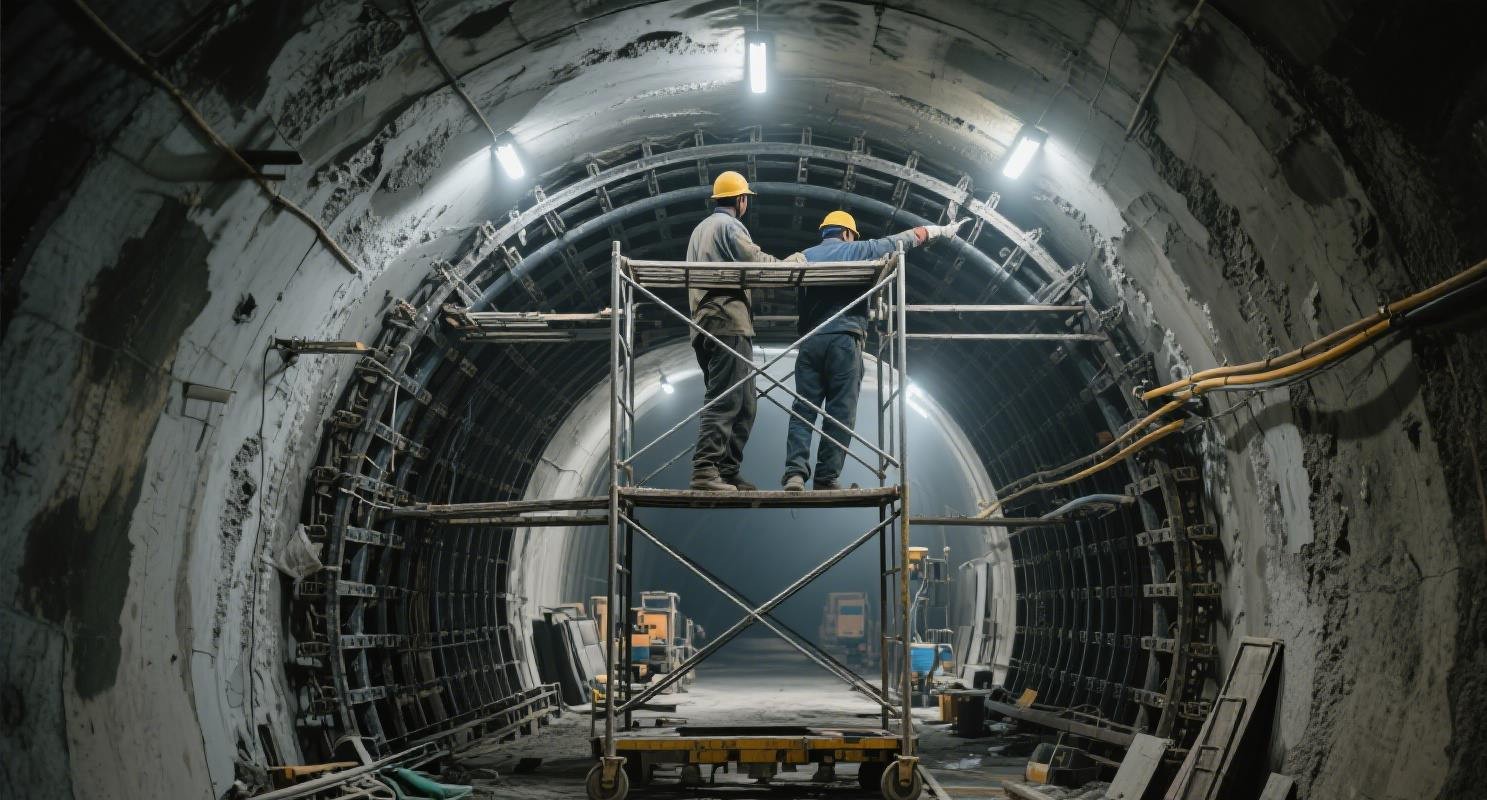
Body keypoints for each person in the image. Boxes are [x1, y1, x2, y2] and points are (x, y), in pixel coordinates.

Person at [782, 210, 967, 491]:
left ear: (825, 232)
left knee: (803, 410)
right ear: (846, 234)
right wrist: (939, 231)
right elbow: (902, 241)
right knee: (840, 411)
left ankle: (795, 474)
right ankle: (826, 477)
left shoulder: (805, 256)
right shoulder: (860, 249)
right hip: (844, 341)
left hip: (810, 344)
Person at [685, 170, 802, 492]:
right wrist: (790, 265)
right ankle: (705, 471)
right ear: (741, 200)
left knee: (745, 402)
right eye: (746, 199)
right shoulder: (728, 225)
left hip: (708, 323)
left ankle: (727, 470)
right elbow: (754, 261)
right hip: (726, 323)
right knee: (724, 400)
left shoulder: (700, 230)